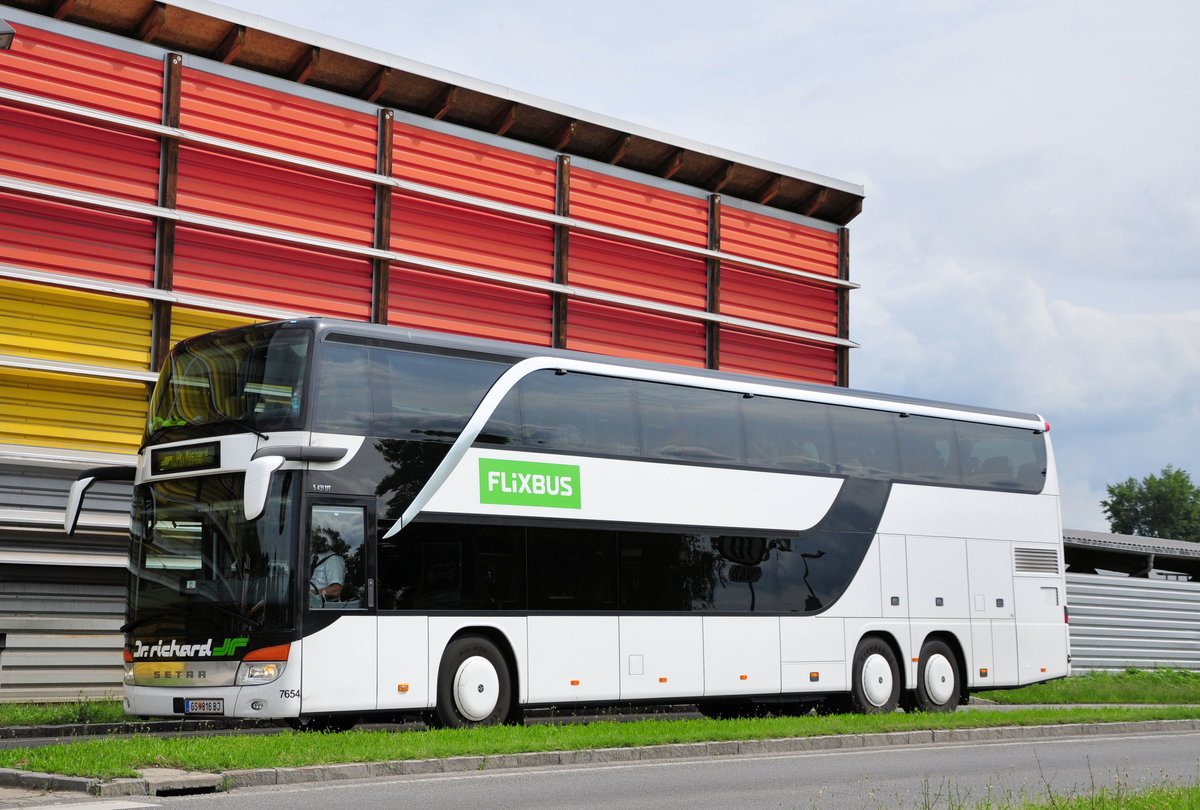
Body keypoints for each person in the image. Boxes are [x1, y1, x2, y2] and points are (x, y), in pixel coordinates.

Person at [309, 538, 345, 608]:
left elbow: (336, 590)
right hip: (308, 604)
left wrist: (312, 594)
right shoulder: (312, 558)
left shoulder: (333, 559)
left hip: (323, 608)